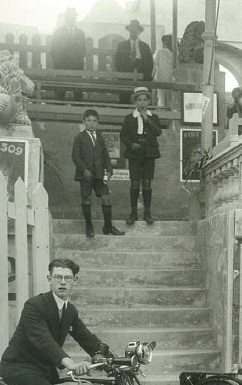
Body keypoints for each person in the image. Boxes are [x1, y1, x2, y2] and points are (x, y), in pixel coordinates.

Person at [72, 109, 124, 238]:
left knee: (106, 198)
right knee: (86, 198)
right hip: (86, 175)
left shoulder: (99, 138)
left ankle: (108, 226)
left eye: (94, 121)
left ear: (98, 123)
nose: (91, 123)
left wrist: (110, 170)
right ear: (83, 121)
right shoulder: (79, 137)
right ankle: (89, 227)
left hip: (99, 174)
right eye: (89, 120)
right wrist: (84, 170)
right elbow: (75, 157)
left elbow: (106, 155)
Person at [121, 87, 161, 225]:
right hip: (135, 153)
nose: (142, 103)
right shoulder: (129, 118)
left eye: (145, 100)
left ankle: (147, 213)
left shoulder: (153, 117)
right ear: (135, 102)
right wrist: (131, 144)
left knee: (147, 183)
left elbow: (157, 132)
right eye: (139, 100)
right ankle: (133, 213)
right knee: (135, 182)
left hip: (149, 152)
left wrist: (147, 119)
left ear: (149, 101)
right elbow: (123, 136)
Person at [50, 8, 86, 101]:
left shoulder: (80, 33)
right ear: (66, 18)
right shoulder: (58, 32)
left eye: (73, 17)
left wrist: (78, 64)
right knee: (60, 94)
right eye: (69, 17)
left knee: (78, 94)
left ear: (75, 18)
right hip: (62, 68)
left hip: (77, 69)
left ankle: (78, 112)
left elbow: (83, 51)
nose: (71, 19)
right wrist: (60, 64)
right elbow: (53, 51)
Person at [114, 20, 154, 103]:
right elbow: (117, 63)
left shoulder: (144, 46)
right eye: (131, 30)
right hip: (125, 78)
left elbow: (150, 64)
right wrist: (127, 73)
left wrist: (142, 76)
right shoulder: (122, 45)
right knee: (124, 100)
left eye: (136, 30)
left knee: (142, 99)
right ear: (129, 31)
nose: (133, 32)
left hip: (141, 79)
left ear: (139, 32)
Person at [153, 34, 173, 107]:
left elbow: (154, 65)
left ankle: (162, 113)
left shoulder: (160, 52)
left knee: (161, 98)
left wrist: (152, 77)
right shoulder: (176, 53)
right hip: (171, 78)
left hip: (161, 78)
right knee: (170, 98)